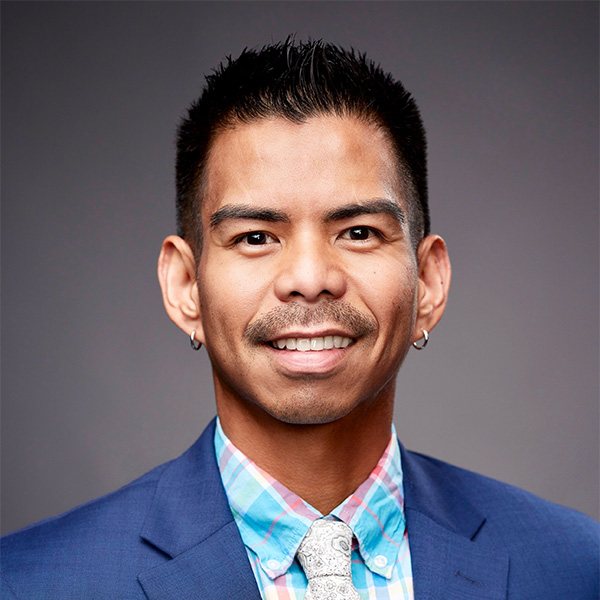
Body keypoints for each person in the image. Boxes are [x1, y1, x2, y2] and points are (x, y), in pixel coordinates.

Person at [2, 39, 597, 600]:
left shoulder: (576, 567)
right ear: (186, 286)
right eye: (256, 236)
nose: (310, 277)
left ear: (429, 282)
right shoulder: (30, 584)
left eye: (359, 232)